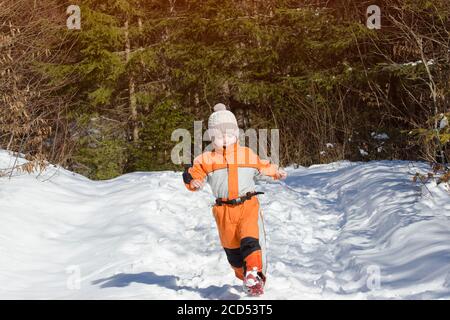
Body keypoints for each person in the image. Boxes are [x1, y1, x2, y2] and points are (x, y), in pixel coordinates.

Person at [182, 103, 287, 296]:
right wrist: (193, 182)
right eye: (218, 135)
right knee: (234, 256)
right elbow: (192, 175)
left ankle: (255, 275)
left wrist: (276, 172)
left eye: (228, 134)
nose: (224, 138)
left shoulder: (246, 154)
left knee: (251, 241)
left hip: (247, 206)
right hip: (223, 212)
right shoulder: (206, 159)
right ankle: (245, 275)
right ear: (211, 137)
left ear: (236, 135)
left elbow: (262, 167)